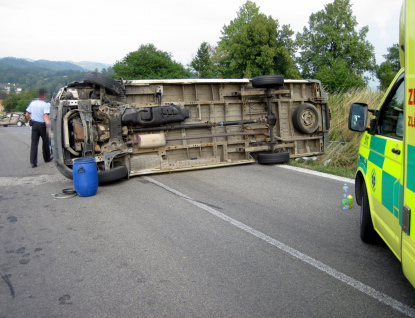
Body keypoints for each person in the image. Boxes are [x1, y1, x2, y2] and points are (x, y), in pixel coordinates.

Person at [25, 88, 53, 168]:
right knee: (45, 142)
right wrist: (48, 127)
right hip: (42, 125)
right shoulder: (45, 104)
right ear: (43, 95)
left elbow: (27, 114)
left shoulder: (32, 103)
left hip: (34, 125)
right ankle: (46, 158)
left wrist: (30, 121)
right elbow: (46, 116)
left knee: (34, 143)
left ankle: (33, 162)